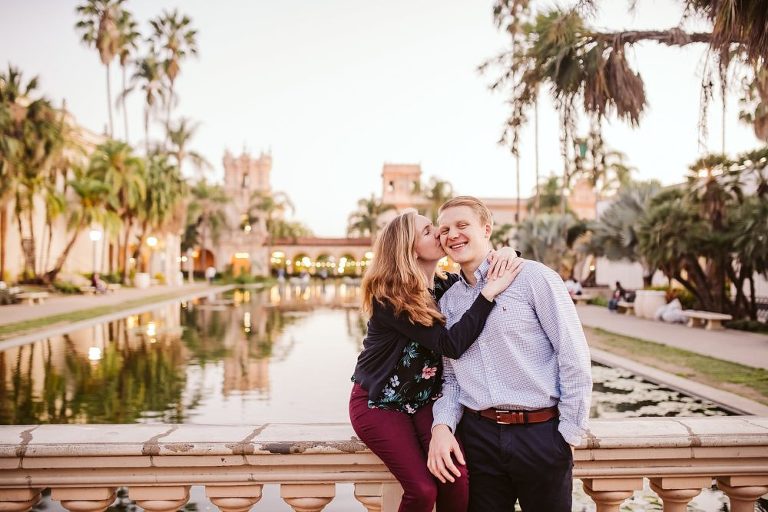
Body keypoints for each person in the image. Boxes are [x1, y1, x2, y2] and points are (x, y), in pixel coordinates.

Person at [350, 210, 524, 512]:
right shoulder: (389, 296)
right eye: (429, 231)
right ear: (409, 247)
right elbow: (450, 345)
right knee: (422, 490)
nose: (441, 234)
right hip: (378, 403)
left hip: (422, 401)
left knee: (455, 479)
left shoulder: (445, 286)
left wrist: (506, 252)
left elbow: (482, 269)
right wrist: (489, 295)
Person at [428, 196, 592, 512]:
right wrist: (442, 425)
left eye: (463, 225)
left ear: (487, 229)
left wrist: (568, 433)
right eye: (445, 229)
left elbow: (572, 355)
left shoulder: (533, 277)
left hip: (541, 435)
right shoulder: (448, 303)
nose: (453, 235)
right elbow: (452, 380)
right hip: (478, 439)